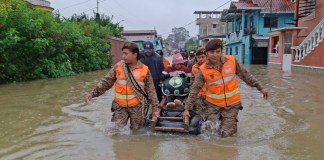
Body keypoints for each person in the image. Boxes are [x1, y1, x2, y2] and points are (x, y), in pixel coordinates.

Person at [183, 39, 269, 137]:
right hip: (212, 105)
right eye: (212, 52)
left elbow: (246, 76)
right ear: (207, 53)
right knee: (210, 132)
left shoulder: (231, 61)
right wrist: (187, 109)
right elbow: (195, 89)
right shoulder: (203, 70)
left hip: (232, 105)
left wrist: (260, 88)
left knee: (227, 134)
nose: (215, 55)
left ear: (222, 51)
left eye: (218, 52)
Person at [84, 42, 160, 130]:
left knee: (137, 132)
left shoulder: (144, 70)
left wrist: (155, 109)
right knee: (115, 131)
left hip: (138, 107)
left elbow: (151, 90)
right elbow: (106, 82)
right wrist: (92, 94)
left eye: (126, 54)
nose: (123, 56)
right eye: (123, 53)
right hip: (120, 106)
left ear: (135, 55)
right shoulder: (118, 67)